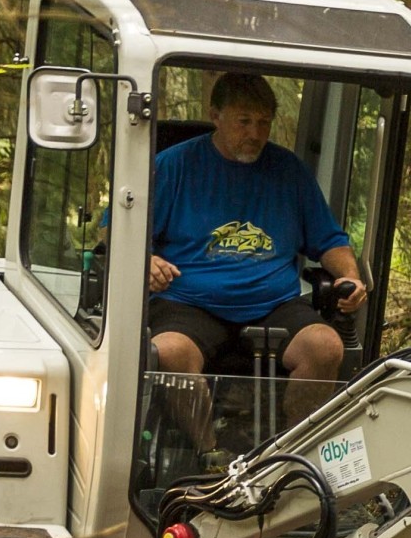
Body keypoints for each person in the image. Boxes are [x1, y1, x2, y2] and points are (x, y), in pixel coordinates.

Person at [143, 70, 365, 391]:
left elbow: (328, 239)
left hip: (274, 305)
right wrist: (145, 259)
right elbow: (116, 230)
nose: (255, 133)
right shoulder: (172, 166)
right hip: (187, 303)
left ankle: (293, 442)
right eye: (244, 121)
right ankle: (207, 443)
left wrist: (351, 276)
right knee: (170, 353)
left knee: (325, 347)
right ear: (215, 116)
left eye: (264, 122)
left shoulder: (288, 170)